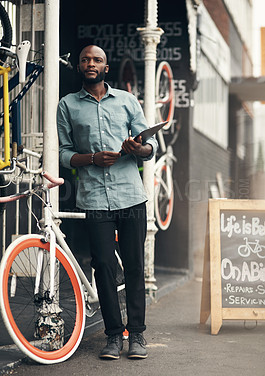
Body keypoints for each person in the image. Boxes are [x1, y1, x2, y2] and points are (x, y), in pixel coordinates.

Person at [57, 45, 157, 360]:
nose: (91, 63)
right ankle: (113, 335)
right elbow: (62, 152)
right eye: (85, 59)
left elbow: (150, 143)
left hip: (130, 195)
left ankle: (137, 334)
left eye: (97, 60)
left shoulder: (128, 101)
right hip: (94, 198)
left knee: (134, 267)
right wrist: (92, 159)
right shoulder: (67, 105)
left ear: (106, 67)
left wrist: (137, 148)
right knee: (103, 266)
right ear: (79, 66)